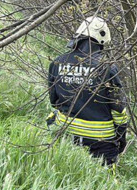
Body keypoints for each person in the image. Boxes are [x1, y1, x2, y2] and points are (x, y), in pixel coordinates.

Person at [48, 16, 129, 166]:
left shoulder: (58, 62)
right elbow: (118, 109)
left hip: (66, 134)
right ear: (101, 41)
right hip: (101, 143)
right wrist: (121, 137)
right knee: (104, 184)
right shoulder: (108, 68)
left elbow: (54, 101)